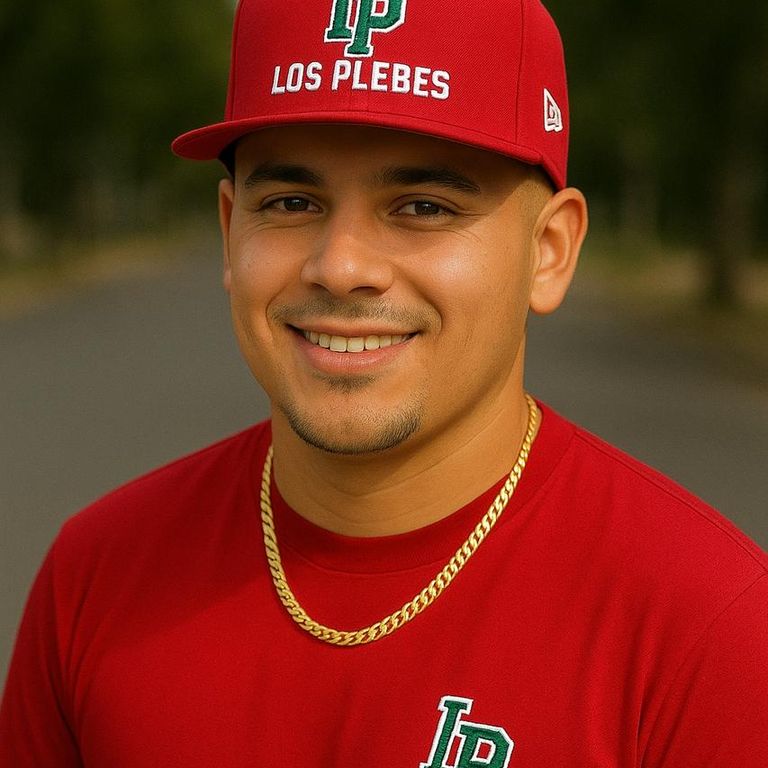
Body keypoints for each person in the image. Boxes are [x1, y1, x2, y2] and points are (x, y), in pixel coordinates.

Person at [2, 0, 767, 765]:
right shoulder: (97, 574)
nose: (341, 266)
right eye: (292, 203)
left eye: (424, 207)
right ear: (231, 230)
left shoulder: (710, 633)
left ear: (550, 251)